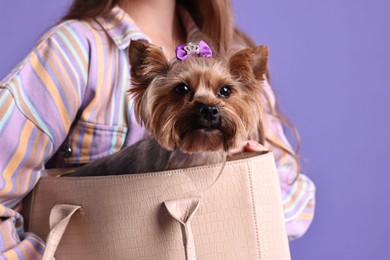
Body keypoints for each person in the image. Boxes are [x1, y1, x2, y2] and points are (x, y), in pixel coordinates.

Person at [0, 0, 316, 258]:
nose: (208, 104)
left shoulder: (233, 51)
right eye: (180, 91)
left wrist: (255, 174)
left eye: (222, 93)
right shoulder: (74, 52)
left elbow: (297, 210)